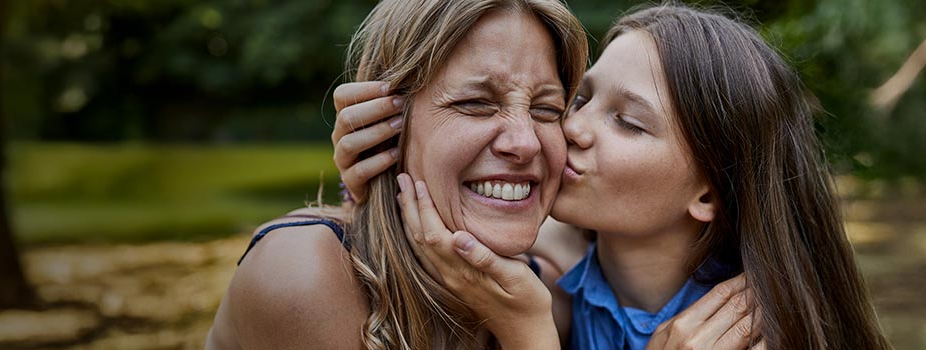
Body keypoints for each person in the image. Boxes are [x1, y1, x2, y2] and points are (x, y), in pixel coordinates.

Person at [336, 3, 891, 349]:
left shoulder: (744, 333)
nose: (569, 129)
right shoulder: (555, 277)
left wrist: (529, 334)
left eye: (627, 122)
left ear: (708, 192)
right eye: (580, 99)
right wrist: (384, 168)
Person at [205, 0, 585, 348]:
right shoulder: (303, 274)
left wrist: (529, 327)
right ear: (383, 123)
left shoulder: (546, 296)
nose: (526, 143)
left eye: (546, 109)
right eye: (475, 103)